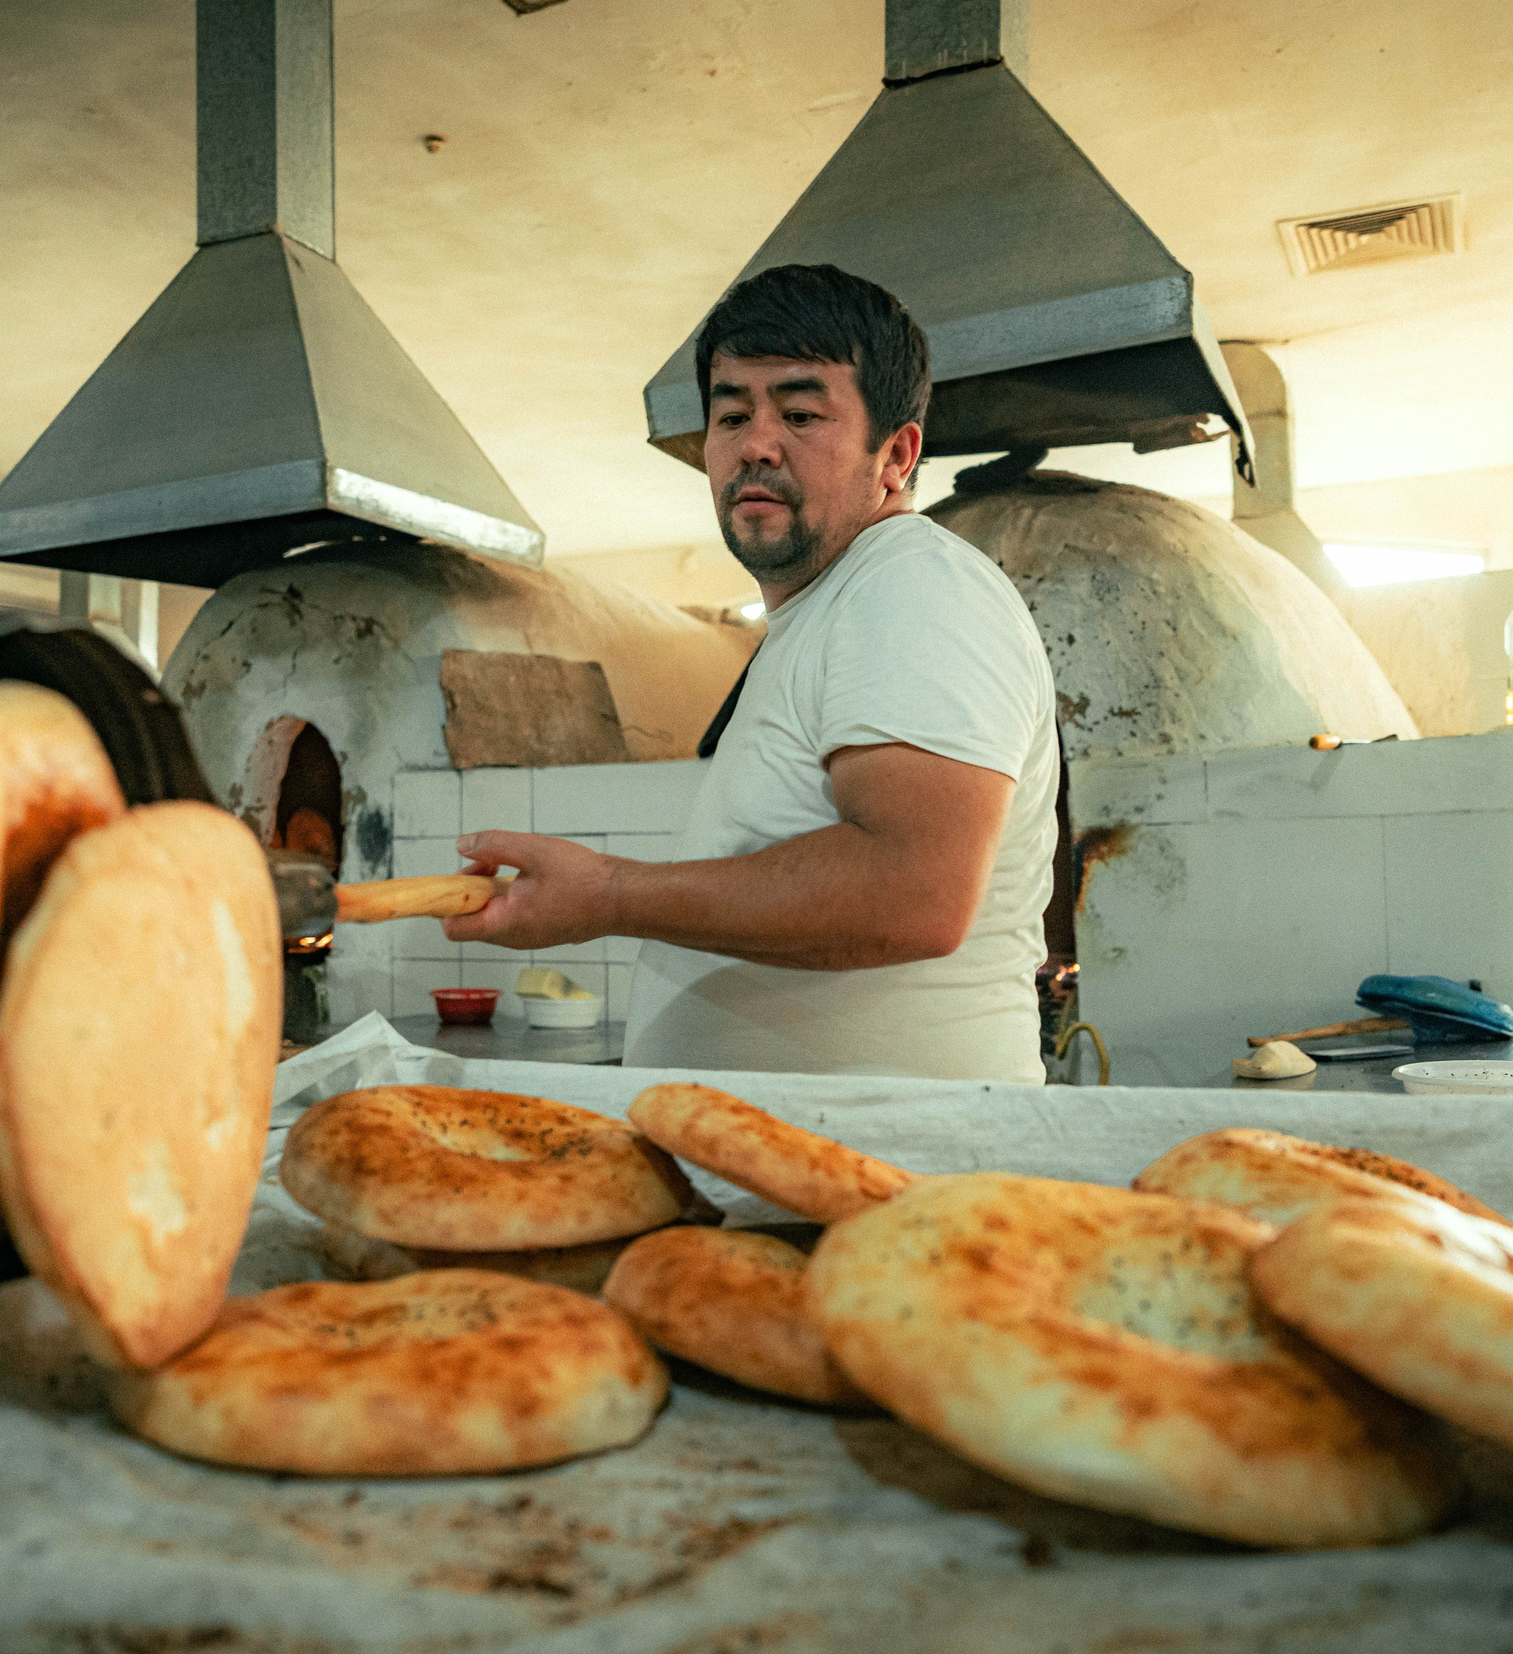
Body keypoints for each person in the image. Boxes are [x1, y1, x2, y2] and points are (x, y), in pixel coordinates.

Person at [448, 264, 1058, 1082]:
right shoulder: (823, 614)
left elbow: (915, 890)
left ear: (897, 453)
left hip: (892, 1179)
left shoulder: (910, 583)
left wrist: (609, 894)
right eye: (731, 414)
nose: (756, 444)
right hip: (811, 1176)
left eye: (800, 413)